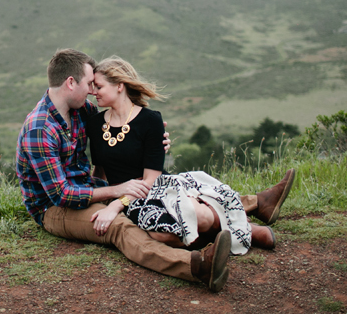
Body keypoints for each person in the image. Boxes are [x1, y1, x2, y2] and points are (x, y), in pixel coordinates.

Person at [16, 49, 288, 292]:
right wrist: (117, 191)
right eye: (89, 84)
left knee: (176, 194)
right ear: (70, 83)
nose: (91, 91)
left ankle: (255, 206)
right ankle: (195, 266)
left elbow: (125, 126)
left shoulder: (81, 111)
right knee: (120, 227)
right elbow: (62, 194)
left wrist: (155, 142)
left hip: (93, 188)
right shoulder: (41, 128)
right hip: (53, 208)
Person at [86, 56, 294, 254]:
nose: (93, 92)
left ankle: (243, 231)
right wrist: (99, 198)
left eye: (99, 86)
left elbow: (151, 180)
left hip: (157, 188)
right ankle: (231, 233)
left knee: (197, 216)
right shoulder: (95, 124)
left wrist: (116, 205)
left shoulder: (150, 120)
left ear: (119, 85)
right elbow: (101, 172)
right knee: (162, 234)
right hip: (130, 199)